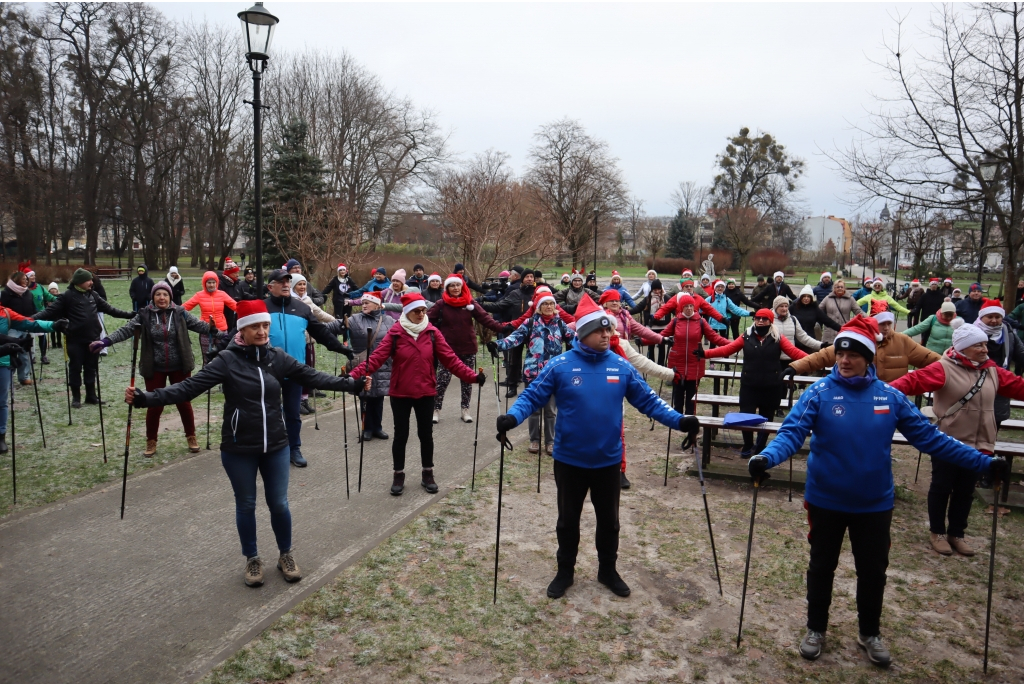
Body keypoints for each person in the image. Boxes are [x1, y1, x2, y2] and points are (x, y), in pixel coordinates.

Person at [749, 316, 1007, 666]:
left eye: (854, 353)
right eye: (840, 353)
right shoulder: (818, 393)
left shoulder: (890, 396)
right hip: (826, 500)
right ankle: (816, 628)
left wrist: (982, 462)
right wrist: (766, 457)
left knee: (873, 571)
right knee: (821, 566)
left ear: (868, 357)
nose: (844, 360)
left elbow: (930, 439)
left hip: (874, 503)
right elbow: (792, 434)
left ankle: (869, 632)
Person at [126, 298, 363, 587]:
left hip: (276, 443)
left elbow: (312, 376)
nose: (263, 331)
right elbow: (189, 387)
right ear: (243, 330)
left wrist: (350, 384)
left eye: (266, 325)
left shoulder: (277, 357)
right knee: (246, 504)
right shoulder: (227, 360)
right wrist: (146, 398)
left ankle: (285, 554)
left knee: (279, 504)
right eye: (256, 327)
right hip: (239, 446)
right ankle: (252, 558)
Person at [495, 299, 699, 599]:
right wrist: (512, 417)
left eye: (610, 330)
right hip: (569, 460)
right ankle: (565, 571)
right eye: (601, 330)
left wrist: (680, 421)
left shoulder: (621, 366)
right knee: (567, 521)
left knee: (609, 522)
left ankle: (608, 570)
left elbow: (649, 402)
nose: (608, 335)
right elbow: (533, 396)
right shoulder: (560, 365)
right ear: (584, 333)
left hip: (607, 461)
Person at [891, 321, 1024, 556]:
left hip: (981, 443)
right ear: (963, 348)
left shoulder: (992, 370)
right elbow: (908, 383)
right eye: (978, 345)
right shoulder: (944, 368)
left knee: (965, 490)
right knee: (942, 487)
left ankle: (957, 533)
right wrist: (878, 396)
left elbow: (1017, 386)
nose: (985, 349)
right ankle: (937, 532)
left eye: (985, 344)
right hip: (948, 442)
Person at [348, 292, 487, 495]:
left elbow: (451, 360)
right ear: (407, 312)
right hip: (400, 393)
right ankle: (398, 475)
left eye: (423, 310)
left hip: (426, 392)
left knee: (426, 435)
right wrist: (352, 377)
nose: (421, 314)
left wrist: (472, 377)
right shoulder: (395, 333)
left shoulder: (432, 333)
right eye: (416, 311)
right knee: (400, 436)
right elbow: (375, 359)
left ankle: (427, 473)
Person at [91, 282, 218, 456]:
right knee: (154, 405)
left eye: (165, 295)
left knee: (183, 402)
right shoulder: (145, 314)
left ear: (170, 297)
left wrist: (213, 328)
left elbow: (200, 326)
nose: (162, 298)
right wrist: (106, 341)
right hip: (154, 366)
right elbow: (127, 330)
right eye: (158, 294)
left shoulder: (180, 312)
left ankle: (191, 436)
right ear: (153, 297)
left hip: (180, 365)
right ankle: (151, 441)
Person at [263, 269, 354, 467]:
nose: (286, 284)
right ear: (270, 287)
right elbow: (241, 333)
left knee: (293, 413)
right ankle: (272, 449)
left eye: (288, 281)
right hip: (267, 370)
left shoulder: (302, 308)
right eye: (281, 282)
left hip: (295, 369)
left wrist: (342, 348)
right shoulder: (262, 308)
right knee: (269, 412)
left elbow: (321, 333)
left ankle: (294, 448)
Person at [698, 308, 807, 456]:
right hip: (749, 385)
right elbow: (727, 350)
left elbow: (795, 353)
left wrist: (817, 360)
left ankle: (760, 447)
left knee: (767, 418)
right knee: (746, 416)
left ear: (770, 321)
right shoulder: (746, 336)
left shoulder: (778, 338)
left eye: (764, 318)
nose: (760, 321)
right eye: (757, 318)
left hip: (771, 386)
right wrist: (705, 353)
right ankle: (748, 445)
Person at [489, 288, 575, 455]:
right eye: (545, 304)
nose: (549, 306)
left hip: (553, 374)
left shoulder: (559, 324)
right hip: (533, 373)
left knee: (550, 411)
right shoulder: (530, 323)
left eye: (551, 304)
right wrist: (497, 345)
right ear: (538, 307)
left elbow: (574, 338)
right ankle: (534, 440)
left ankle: (550, 442)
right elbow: (514, 338)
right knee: (534, 409)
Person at [35, 268, 132, 407]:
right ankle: (76, 397)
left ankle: (91, 396)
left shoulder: (93, 295)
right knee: (75, 368)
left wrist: (130, 315)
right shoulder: (67, 296)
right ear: (79, 282)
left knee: (91, 368)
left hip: (93, 339)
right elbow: (48, 312)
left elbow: (111, 310)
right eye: (89, 280)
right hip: (75, 340)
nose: (92, 282)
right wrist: (28, 320)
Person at [428, 274, 504, 424]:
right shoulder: (441, 304)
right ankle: (436, 410)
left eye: (458, 285)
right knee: (442, 381)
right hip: (447, 350)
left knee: (467, 381)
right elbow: (428, 321)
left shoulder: (470, 303)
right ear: (447, 288)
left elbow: (485, 319)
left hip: (468, 347)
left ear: (462, 286)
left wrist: (505, 327)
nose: (455, 288)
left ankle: (465, 409)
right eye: (452, 285)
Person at [787, 310, 939, 382]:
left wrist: (952, 366)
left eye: (888, 324)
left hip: (891, 400)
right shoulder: (858, 340)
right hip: (860, 394)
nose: (886, 328)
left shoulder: (903, 341)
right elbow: (824, 356)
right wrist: (796, 366)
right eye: (881, 324)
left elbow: (929, 358)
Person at [0, 306, 63, 452]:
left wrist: (53, 325)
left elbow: (29, 323)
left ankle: (1, 436)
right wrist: (6, 347)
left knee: (1, 402)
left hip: (2, 363)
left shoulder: (5, 312)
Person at [662, 294, 730, 416]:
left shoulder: (701, 322)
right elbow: (661, 336)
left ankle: (689, 421)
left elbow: (715, 338)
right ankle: (677, 420)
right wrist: (645, 340)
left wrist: (734, 344)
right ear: (681, 308)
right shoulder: (675, 321)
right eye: (686, 306)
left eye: (691, 306)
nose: (689, 308)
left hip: (695, 362)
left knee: (691, 397)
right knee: (677, 394)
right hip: (677, 363)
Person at [291, 274, 344, 415]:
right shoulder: (290, 301)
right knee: (299, 370)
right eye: (299, 284)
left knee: (310, 369)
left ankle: (305, 399)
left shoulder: (307, 300)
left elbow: (320, 314)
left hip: (310, 341)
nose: (302, 287)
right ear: (292, 286)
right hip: (297, 342)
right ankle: (297, 400)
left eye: (304, 284)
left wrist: (338, 323)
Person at [347, 291, 394, 441]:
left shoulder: (389, 320)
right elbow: (334, 327)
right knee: (365, 396)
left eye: (367, 302)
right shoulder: (355, 319)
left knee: (379, 396)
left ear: (378, 304)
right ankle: (366, 428)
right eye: (363, 302)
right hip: (363, 364)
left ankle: (377, 427)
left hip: (383, 364)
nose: (364, 305)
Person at [482, 269, 537, 397]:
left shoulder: (537, 293)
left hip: (535, 331)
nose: (529, 279)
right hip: (517, 331)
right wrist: (480, 304)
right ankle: (512, 386)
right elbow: (499, 306)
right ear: (522, 279)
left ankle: (533, 386)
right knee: (514, 360)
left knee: (534, 361)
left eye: (531, 277)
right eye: (527, 277)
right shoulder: (515, 293)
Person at [183, 272, 239, 358]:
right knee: (207, 356)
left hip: (222, 330)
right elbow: (184, 307)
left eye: (214, 282)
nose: (212, 285)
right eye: (209, 282)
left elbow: (235, 305)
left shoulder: (222, 294)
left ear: (217, 283)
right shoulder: (199, 295)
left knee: (223, 356)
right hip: (206, 330)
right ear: (205, 283)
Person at [1, 271, 36, 384]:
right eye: (23, 279)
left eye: (27, 279)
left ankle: (24, 376)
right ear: (16, 280)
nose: (26, 281)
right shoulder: (6, 293)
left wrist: (34, 318)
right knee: (10, 351)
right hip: (12, 326)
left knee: (25, 353)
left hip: (26, 325)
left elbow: (33, 307)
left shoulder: (28, 293)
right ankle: (8, 375)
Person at [599, 290, 663, 348]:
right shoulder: (600, 316)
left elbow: (641, 330)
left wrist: (661, 339)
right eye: (611, 301)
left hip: (624, 349)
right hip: (605, 350)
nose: (615, 303)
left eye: (617, 301)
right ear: (605, 303)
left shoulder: (625, 315)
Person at [790, 284, 841, 349]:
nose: (806, 298)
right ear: (800, 297)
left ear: (811, 298)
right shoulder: (793, 307)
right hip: (795, 341)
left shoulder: (815, 309)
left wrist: (841, 329)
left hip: (809, 340)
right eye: (804, 296)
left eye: (808, 296)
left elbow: (827, 321)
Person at [772, 297, 822, 361]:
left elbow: (803, 337)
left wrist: (821, 345)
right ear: (775, 307)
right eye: (781, 306)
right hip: (774, 359)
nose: (784, 309)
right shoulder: (768, 320)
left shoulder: (793, 320)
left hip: (790, 358)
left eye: (786, 306)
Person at [27, 270, 57, 364]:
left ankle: (43, 356)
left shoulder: (39, 287)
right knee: (30, 337)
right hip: (29, 315)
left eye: (34, 275)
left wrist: (58, 299)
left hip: (41, 314)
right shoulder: (23, 289)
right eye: (31, 276)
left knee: (42, 335)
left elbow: (48, 296)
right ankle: (31, 356)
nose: (34, 277)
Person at [818, 279, 861, 345]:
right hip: (829, 332)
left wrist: (869, 319)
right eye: (837, 287)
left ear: (844, 288)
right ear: (834, 288)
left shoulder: (850, 299)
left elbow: (858, 311)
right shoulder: (828, 298)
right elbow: (818, 310)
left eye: (841, 287)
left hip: (844, 331)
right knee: (828, 353)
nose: (840, 288)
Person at [914, 278, 946, 343]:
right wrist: (915, 321)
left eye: (935, 284)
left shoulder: (942, 296)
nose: (934, 286)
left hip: (938, 320)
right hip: (925, 320)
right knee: (925, 338)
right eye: (932, 284)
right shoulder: (924, 296)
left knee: (936, 338)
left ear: (937, 285)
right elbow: (918, 307)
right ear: (930, 285)